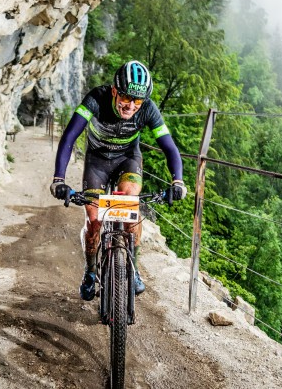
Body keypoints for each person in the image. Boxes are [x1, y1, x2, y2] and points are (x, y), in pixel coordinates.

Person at [50, 60, 186, 301]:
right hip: (97, 161)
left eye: (138, 100)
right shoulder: (96, 99)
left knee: (131, 207)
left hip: (127, 159)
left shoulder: (148, 109)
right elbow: (70, 137)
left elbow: (169, 147)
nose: (131, 105)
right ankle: (90, 271)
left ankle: (132, 267)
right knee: (93, 220)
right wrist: (59, 178)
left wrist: (178, 181)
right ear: (114, 90)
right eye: (125, 97)